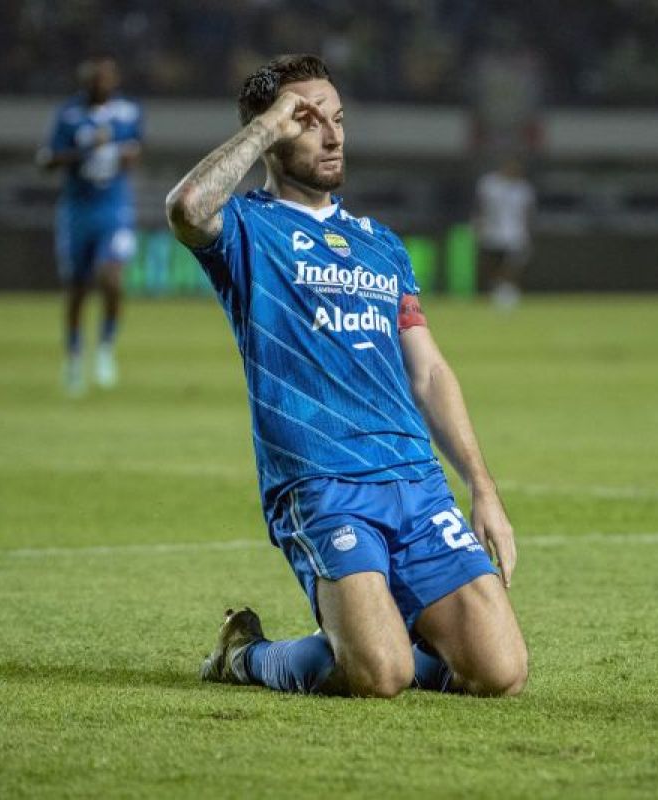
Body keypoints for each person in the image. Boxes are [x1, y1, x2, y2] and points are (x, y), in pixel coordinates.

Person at [165, 54, 528, 698]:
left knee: (501, 673)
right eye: (309, 122)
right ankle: (245, 654)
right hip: (322, 484)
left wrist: (482, 485)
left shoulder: (380, 244)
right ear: (273, 134)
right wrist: (269, 124)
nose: (332, 136)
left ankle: (383, 630)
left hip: (414, 481)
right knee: (379, 677)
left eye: (338, 119)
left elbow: (430, 371)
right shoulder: (248, 230)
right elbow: (188, 206)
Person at [37, 57, 143, 396]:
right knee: (77, 289)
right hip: (76, 210)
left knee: (111, 278)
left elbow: (135, 151)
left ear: (115, 81)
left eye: (106, 78)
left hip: (114, 209)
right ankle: (73, 358)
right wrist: (84, 149)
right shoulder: (69, 116)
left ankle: (105, 349)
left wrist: (126, 156)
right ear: (86, 82)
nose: (101, 83)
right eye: (95, 78)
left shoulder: (129, 112)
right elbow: (47, 159)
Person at [473, 157, 535, 310]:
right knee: (491, 263)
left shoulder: (523, 189)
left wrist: (527, 231)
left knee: (514, 263)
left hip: (515, 231)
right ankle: (497, 289)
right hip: (492, 230)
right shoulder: (488, 184)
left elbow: (527, 212)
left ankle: (506, 290)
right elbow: (480, 206)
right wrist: (478, 224)